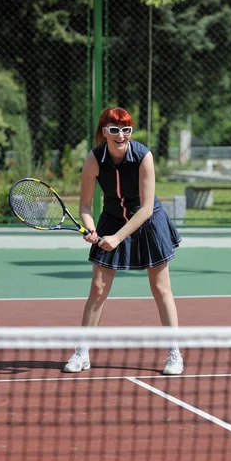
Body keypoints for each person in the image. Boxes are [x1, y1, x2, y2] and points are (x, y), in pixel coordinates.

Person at [63, 106, 183, 375]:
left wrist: (117, 238)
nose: (121, 135)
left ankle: (174, 353)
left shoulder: (143, 157)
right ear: (104, 132)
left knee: (161, 288)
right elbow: (84, 205)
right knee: (97, 288)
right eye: (115, 130)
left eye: (126, 129)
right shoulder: (94, 160)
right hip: (112, 217)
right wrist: (92, 230)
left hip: (148, 220)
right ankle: (82, 352)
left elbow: (146, 208)